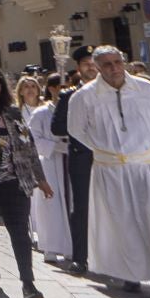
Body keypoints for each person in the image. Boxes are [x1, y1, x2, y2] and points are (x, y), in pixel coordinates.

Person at [66, 47, 150, 298]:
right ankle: (130, 274)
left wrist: (138, 146)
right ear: (97, 67)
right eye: (106, 64)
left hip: (147, 166)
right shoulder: (85, 96)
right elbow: (77, 130)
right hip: (111, 169)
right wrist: (107, 149)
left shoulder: (145, 89)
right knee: (122, 222)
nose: (114, 68)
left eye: (117, 62)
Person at [0, 68, 51, 298]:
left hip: (13, 180)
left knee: (20, 233)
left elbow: (29, 146)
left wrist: (41, 179)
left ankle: (28, 283)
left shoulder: (13, 114)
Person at [51, 46, 99, 273]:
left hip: (110, 159)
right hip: (82, 158)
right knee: (81, 207)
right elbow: (57, 127)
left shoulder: (111, 92)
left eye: (94, 63)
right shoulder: (69, 95)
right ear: (79, 68)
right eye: (86, 63)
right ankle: (81, 257)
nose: (91, 67)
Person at [28, 75, 74, 263]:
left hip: (70, 160)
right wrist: (55, 147)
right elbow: (33, 139)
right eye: (60, 87)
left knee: (71, 203)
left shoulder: (74, 110)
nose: (64, 90)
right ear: (52, 89)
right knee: (50, 205)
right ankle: (50, 246)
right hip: (50, 161)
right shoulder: (40, 113)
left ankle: (71, 246)